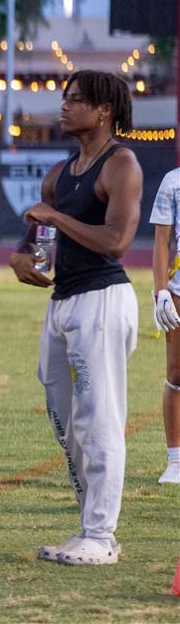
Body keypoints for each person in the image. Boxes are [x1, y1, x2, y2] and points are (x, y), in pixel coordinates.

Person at [10, 70, 141, 565]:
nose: (64, 107)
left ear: (104, 111)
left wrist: (56, 217)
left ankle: (102, 535)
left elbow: (117, 242)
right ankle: (88, 526)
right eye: (64, 99)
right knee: (66, 422)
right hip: (63, 300)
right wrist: (25, 257)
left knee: (99, 418)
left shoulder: (121, 164)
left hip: (102, 300)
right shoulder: (60, 173)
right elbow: (39, 240)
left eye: (76, 101)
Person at [150, 165, 180, 485]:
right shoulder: (173, 181)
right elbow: (161, 242)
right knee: (177, 373)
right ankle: (175, 460)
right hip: (179, 288)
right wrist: (161, 290)